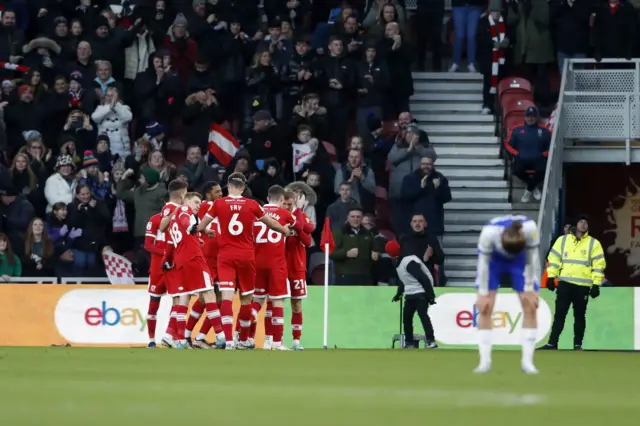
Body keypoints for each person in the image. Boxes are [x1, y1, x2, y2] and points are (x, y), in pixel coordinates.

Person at [197, 172, 293, 350]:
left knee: (226, 298)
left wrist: (207, 232)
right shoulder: (252, 204)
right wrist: (285, 231)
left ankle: (229, 341)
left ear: (228, 185)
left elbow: (201, 226)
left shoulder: (218, 203)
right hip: (247, 256)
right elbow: (271, 224)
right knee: (247, 298)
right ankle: (244, 339)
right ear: (243, 187)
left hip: (225, 256)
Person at [474, 215, 540, 374]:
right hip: (494, 262)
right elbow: (483, 263)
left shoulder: (530, 229)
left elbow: (532, 258)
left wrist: (530, 288)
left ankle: (527, 362)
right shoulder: (489, 233)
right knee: (485, 307)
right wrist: (482, 293)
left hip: (520, 261)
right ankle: (485, 362)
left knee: (530, 306)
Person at [162, 192, 225, 350]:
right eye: (196, 202)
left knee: (184, 299)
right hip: (194, 259)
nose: (198, 205)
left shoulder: (173, 221)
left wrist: (167, 261)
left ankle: (181, 339)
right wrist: (192, 228)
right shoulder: (184, 210)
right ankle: (221, 336)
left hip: (181, 263)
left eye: (200, 202)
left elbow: (172, 243)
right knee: (209, 294)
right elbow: (186, 221)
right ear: (187, 200)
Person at [540, 216, 606, 350]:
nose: (583, 224)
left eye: (586, 222)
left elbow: (598, 265)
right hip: (564, 284)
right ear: (575, 224)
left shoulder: (594, 243)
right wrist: (551, 277)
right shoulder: (562, 240)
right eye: (581, 221)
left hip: (582, 287)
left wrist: (596, 284)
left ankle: (577, 345)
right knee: (559, 315)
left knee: (580, 316)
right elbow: (554, 259)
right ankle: (552, 343)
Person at [249, 185, 298, 350]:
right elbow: (300, 228)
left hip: (257, 262)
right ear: (282, 200)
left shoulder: (257, 214)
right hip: (276, 263)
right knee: (277, 301)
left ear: (268, 198)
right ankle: (277, 342)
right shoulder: (285, 214)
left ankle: (248, 318)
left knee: (257, 300)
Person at [184, 181, 225, 348]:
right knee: (206, 298)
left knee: (216, 299)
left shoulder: (215, 206)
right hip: (208, 258)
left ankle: (198, 336)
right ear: (208, 193)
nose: (221, 194)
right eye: (217, 192)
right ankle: (189, 335)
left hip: (218, 258)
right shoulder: (206, 206)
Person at [386, 240, 437, 349]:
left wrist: (430, 295)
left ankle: (431, 341)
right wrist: (399, 293)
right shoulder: (400, 263)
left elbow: (423, 278)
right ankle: (409, 342)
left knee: (422, 316)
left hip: (420, 292)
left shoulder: (408, 262)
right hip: (411, 292)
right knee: (408, 318)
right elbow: (403, 280)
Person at [156, 180, 189, 348]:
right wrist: (176, 211)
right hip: (172, 261)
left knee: (179, 300)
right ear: (182, 193)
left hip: (176, 259)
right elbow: (162, 227)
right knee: (178, 300)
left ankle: (170, 335)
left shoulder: (173, 209)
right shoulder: (170, 208)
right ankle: (175, 336)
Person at [283, 186, 315, 350]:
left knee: (296, 305)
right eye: (286, 203)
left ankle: (296, 340)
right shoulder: (277, 216)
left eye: (291, 203)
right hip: (279, 267)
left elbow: (308, 238)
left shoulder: (301, 216)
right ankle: (276, 339)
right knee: (276, 304)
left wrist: (297, 218)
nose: (288, 206)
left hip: (296, 267)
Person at [504, 106, 550, 203]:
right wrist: (516, 154)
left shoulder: (544, 130)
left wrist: (543, 154)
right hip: (521, 158)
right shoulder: (516, 129)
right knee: (515, 170)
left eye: (533, 116)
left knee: (543, 169)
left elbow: (551, 146)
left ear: (536, 117)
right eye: (528, 116)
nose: (531, 118)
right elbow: (507, 144)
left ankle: (529, 189)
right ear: (525, 117)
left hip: (538, 158)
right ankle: (532, 186)